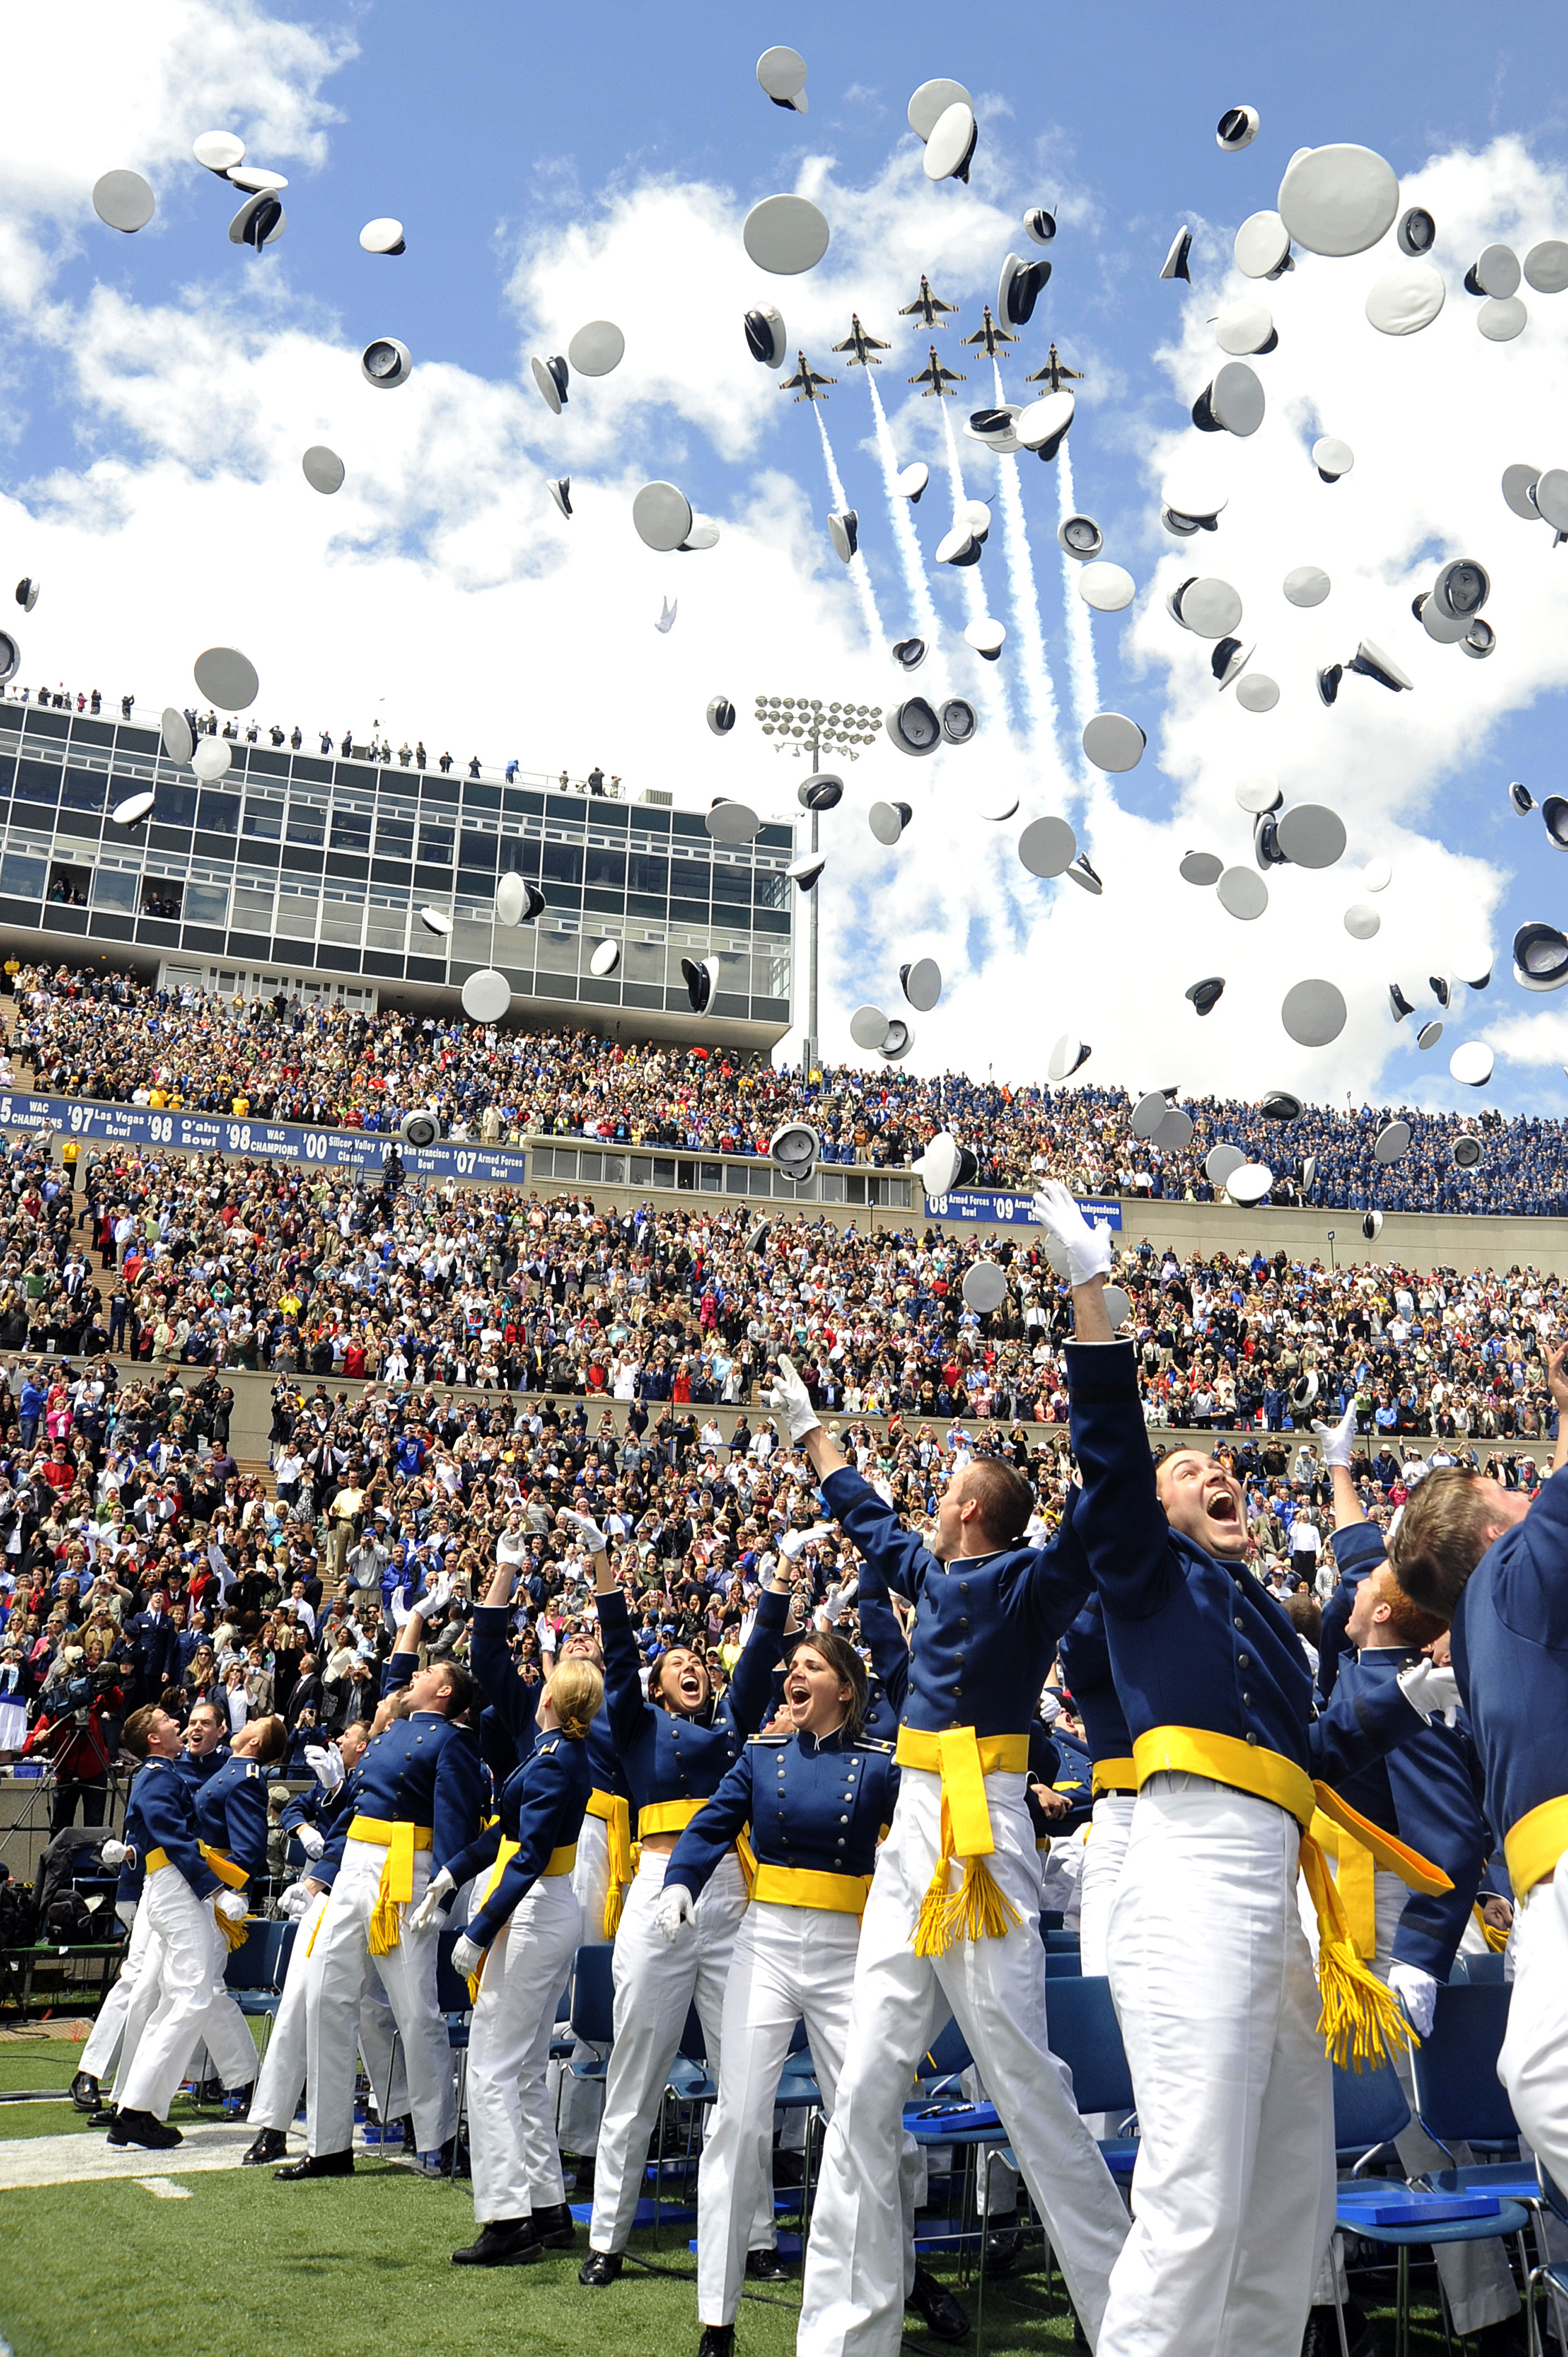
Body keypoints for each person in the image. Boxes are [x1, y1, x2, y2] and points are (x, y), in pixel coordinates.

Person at [1036, 1183, 1442, 2357]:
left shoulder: (1261, 1610)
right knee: (1199, 2183)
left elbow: (1311, 1758)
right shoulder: (1143, 1573)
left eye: (1226, 1466)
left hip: (1280, 1882)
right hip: (1193, 1863)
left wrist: (1404, 1693)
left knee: (1286, 2202)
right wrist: (1091, 1300)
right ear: (1157, 1510)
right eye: (1194, 1467)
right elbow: (1112, 1464)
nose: (1220, 1473)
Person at [773, 1355, 1131, 2357]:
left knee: (1023, 2080)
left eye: (945, 1493)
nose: (931, 1508)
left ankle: (1134, 2327)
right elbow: (867, 1517)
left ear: (972, 1507)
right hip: (915, 1837)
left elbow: (1098, 1511)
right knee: (867, 2086)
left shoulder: (1030, 1576)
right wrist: (812, 1434)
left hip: (986, 1835)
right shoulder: (934, 1572)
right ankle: (843, 2336)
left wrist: (1095, 1337)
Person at [659, 1625, 962, 2357]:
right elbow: (711, 1825)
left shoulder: (877, 1763)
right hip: (763, 1946)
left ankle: (902, 2278)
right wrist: (679, 1881)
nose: (794, 1675)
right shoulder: (761, 1758)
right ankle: (717, 2317)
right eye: (792, 1667)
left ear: (846, 1689)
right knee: (737, 2123)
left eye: (813, 1667)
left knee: (870, 2123)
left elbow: (930, 1809)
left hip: (846, 1950)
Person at [1302, 1405, 1521, 2353]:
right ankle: (1318, 2301)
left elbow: (1448, 1835)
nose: (1343, 1590)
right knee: (1306, 2121)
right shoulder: (1377, 1653)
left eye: (1364, 1590)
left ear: (1385, 1613)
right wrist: (1342, 1470)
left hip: (1390, 1928)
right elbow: (1364, 1558)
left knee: (1428, 2131)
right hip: (1340, 1916)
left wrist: (1424, 1956)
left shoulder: (1407, 1699)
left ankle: (1488, 2314)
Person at [576, 1509, 788, 2287]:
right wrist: (605, 1573)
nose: (691, 1668)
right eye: (679, 1664)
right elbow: (622, 1653)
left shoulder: (732, 1724)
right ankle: (607, 2238)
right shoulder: (633, 1723)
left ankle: (755, 2236)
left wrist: (775, 1586)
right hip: (659, 1895)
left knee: (745, 2073)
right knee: (637, 2070)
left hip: (732, 1898)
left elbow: (763, 1655)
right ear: (660, 1686)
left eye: (700, 1660)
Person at [1390, 1344, 1568, 2209]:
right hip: (1549, 1877)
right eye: (1508, 1491)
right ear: (1496, 1537)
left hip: (1554, 1872)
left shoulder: (1488, 1608)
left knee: (1538, 2079)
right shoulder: (1507, 1579)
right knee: (1533, 2074)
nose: (1526, 1490)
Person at [279, 1597, 483, 2179]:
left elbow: (456, 1822)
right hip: (356, 1869)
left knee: (416, 2009)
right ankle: (327, 2144)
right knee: (327, 1995)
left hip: (407, 1873)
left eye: (428, 1674)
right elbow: (398, 1672)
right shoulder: (397, 1719)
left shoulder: (454, 1741)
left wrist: (443, 1890)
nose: (415, 1675)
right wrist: (414, 1619)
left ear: (445, 1694)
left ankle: (436, 2136)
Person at [417, 1654, 603, 2267]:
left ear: (554, 1699)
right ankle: (547, 2206)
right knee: (521, 2067)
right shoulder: (553, 1753)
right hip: (543, 1907)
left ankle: (506, 2215)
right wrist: (451, 1872)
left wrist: (479, 1926)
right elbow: (506, 1834)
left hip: (533, 1909)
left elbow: (528, 1855)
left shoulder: (557, 1760)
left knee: (492, 2066)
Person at [103, 1702, 245, 2150]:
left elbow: (160, 1835)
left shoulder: (157, 1776)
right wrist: (214, 1891)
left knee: (178, 1997)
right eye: (167, 1721)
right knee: (192, 1993)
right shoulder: (159, 1776)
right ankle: (137, 2109)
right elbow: (173, 1838)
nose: (177, 1723)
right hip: (177, 1887)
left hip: (172, 1886)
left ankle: (137, 2104)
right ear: (153, 1739)